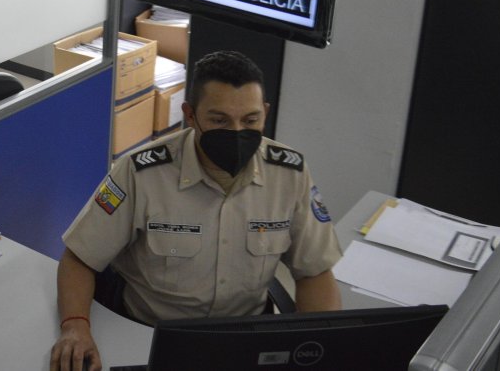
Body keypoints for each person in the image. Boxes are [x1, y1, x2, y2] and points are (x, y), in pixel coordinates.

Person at [50, 50, 343, 371]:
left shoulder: (290, 174)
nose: (236, 133)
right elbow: (79, 258)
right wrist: (75, 326)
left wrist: (320, 348)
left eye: (250, 120)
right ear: (190, 115)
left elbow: (314, 271)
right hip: (149, 335)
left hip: (245, 341)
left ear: (265, 112)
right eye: (219, 120)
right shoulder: (140, 173)